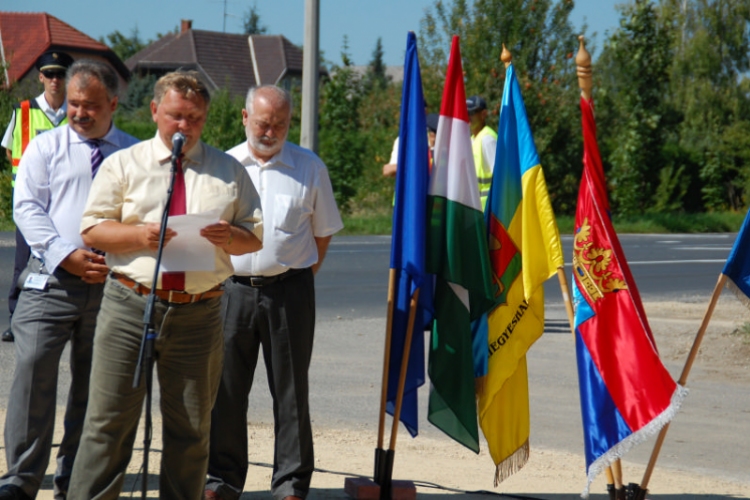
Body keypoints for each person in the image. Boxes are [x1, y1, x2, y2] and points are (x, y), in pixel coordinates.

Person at [67, 70, 263, 500]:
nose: (184, 126)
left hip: (200, 312)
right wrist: (141, 236)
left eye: (194, 117)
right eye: (176, 115)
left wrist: (228, 236)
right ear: (156, 111)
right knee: (107, 425)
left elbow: (254, 236)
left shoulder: (229, 171)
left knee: (192, 430)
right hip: (129, 305)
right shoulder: (125, 164)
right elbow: (93, 230)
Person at [0, 59, 138, 500]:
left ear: (113, 103)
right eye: (74, 104)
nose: (79, 112)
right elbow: (27, 210)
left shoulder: (134, 155)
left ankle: (75, 483)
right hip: (50, 281)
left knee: (96, 388)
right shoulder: (44, 147)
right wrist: (67, 256)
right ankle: (21, 480)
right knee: (32, 368)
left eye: (91, 105)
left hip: (113, 286)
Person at [204, 85, 343, 500]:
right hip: (231, 291)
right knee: (225, 391)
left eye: (281, 124)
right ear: (245, 118)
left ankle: (291, 484)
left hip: (289, 292)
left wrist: (295, 276)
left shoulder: (309, 166)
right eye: (264, 122)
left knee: (290, 391)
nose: (271, 131)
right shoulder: (221, 165)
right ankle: (222, 480)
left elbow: (322, 234)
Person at [1, 50, 74, 343]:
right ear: (40, 77)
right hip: (32, 203)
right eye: (50, 74)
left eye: (61, 74)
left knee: (67, 260)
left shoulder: (78, 113)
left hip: (67, 203)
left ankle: (67, 320)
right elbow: (10, 151)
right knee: (23, 261)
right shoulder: (23, 111)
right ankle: (17, 320)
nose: (55, 80)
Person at [466, 95, 497, 210]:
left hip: (487, 209)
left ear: (483, 114)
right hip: (475, 208)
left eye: (472, 112)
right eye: (466, 113)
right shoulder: (472, 139)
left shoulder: (487, 139)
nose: (468, 116)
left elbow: (500, 177)